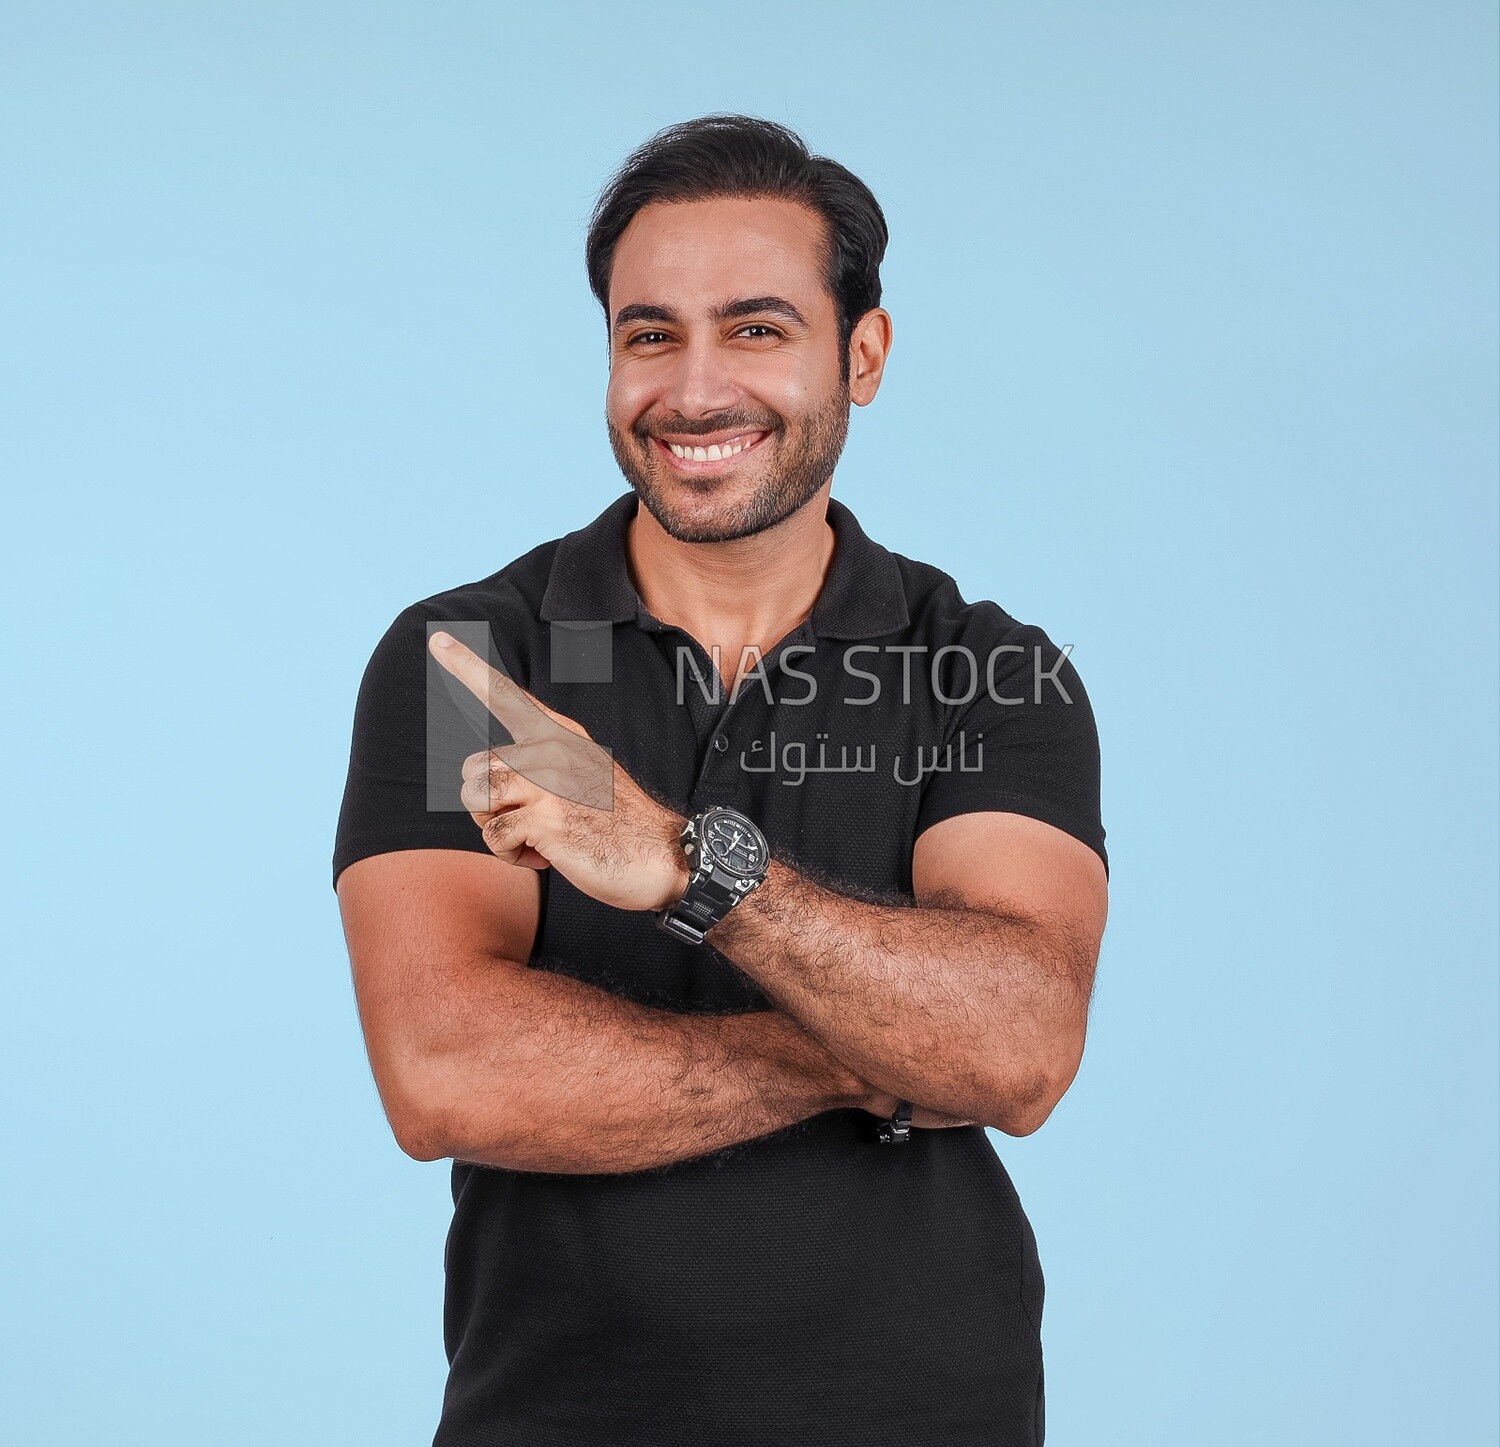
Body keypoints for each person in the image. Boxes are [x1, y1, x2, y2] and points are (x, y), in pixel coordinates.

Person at [333, 113, 1108, 1447]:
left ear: (860, 356)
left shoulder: (989, 668)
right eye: (650, 334)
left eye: (756, 329)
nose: (694, 391)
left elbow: (1019, 1052)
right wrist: (869, 1060)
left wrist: (692, 869)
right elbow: (446, 1076)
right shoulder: (472, 660)